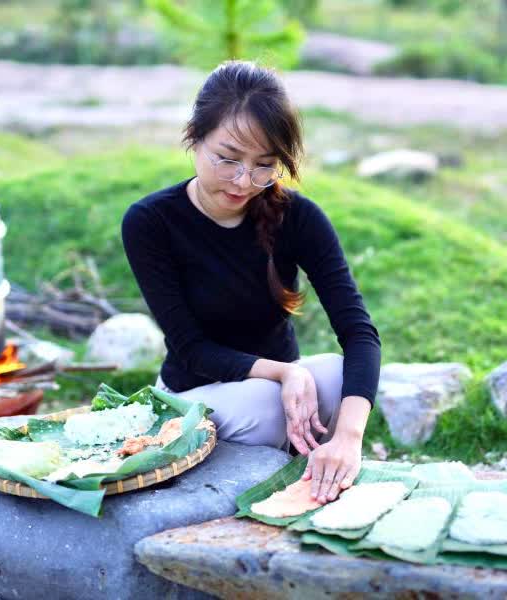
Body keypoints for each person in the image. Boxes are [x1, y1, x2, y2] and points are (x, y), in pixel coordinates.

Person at [121, 60, 381, 504]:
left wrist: (351, 438)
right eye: (228, 159)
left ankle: (316, 460)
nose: (245, 181)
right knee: (266, 405)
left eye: (265, 165)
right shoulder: (152, 222)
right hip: (195, 397)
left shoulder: (298, 218)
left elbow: (359, 333)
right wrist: (285, 373)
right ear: (194, 136)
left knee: (343, 378)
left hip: (282, 393)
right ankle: (269, 469)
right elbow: (192, 348)